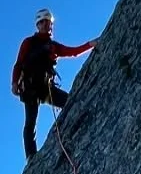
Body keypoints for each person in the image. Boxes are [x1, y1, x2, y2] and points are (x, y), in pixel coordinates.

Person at [12, 9, 95, 160]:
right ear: (38, 25)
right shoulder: (28, 43)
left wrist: (90, 44)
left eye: (48, 22)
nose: (45, 25)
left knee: (70, 101)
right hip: (30, 88)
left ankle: (72, 128)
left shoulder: (53, 46)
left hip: (45, 88)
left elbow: (73, 52)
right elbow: (18, 64)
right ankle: (31, 157)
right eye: (42, 22)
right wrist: (14, 83)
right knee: (30, 123)